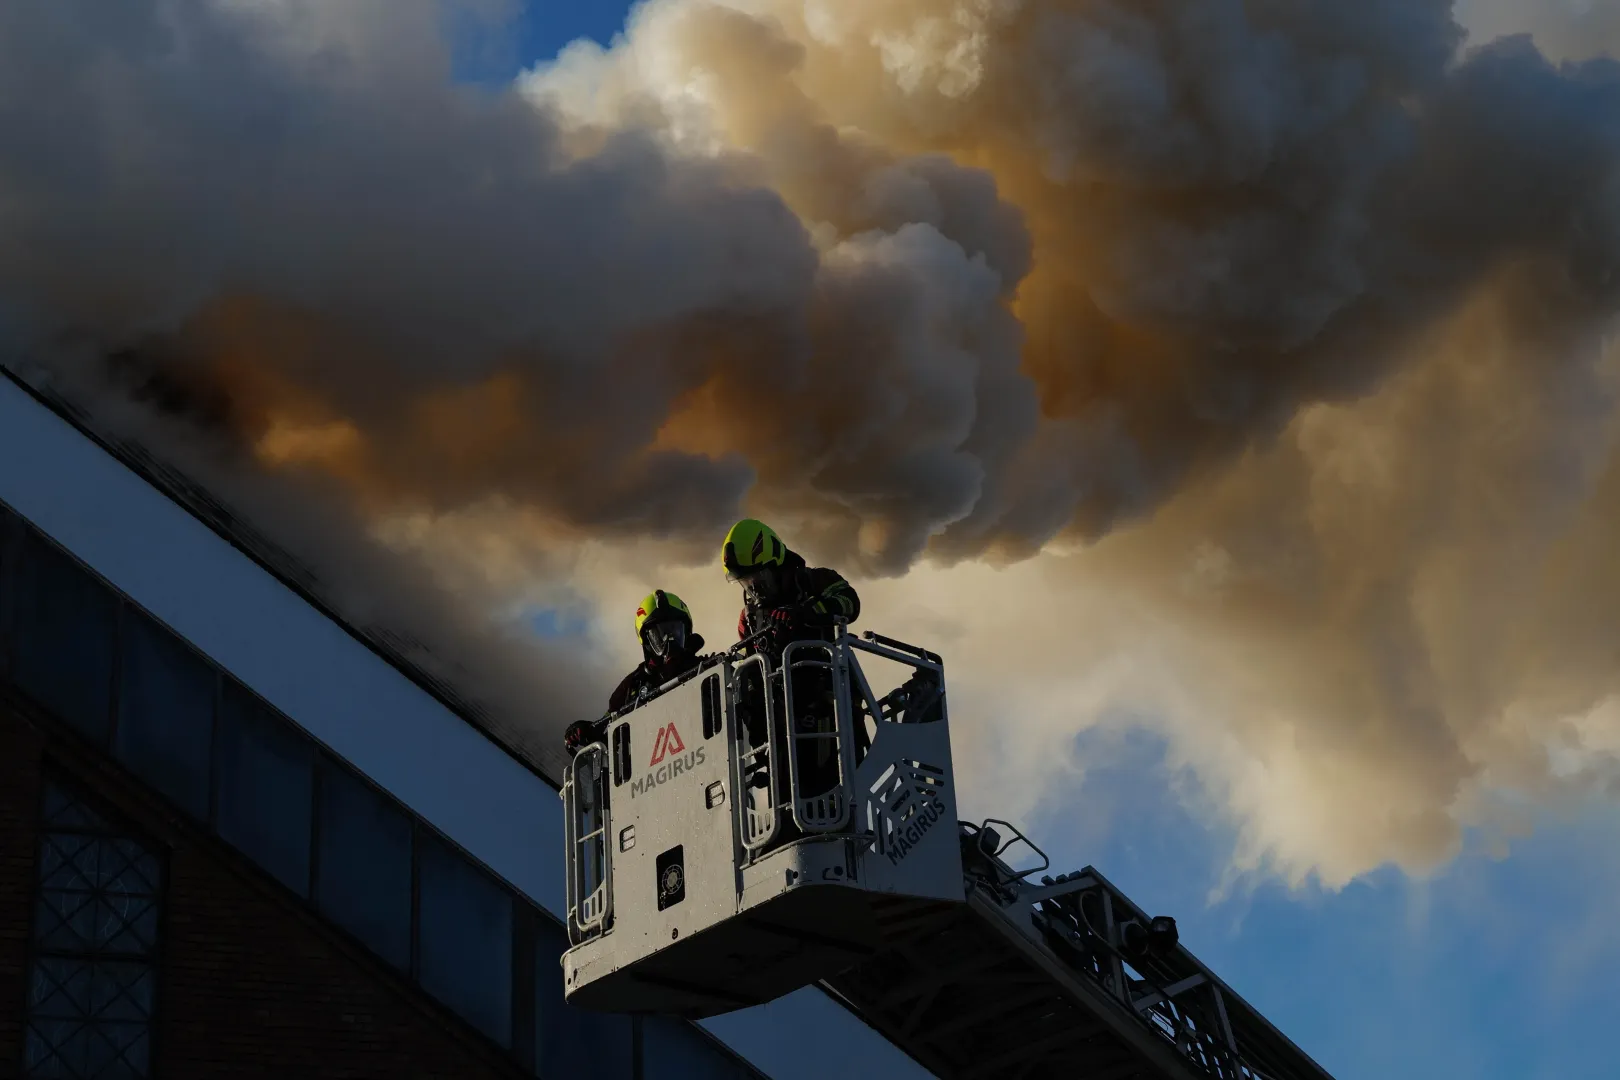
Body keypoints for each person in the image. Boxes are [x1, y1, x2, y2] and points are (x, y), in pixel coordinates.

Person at [721, 519, 860, 797]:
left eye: (759, 578)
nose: (755, 588)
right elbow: (750, 668)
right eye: (747, 582)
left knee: (835, 789)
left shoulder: (814, 581)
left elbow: (850, 602)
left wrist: (807, 613)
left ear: (775, 562)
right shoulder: (749, 618)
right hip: (780, 722)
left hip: (830, 708)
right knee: (788, 794)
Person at [563, 590, 709, 756]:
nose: (669, 640)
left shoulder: (707, 669)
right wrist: (587, 731)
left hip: (706, 754)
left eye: (675, 632)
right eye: (660, 635)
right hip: (650, 768)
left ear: (686, 634)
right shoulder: (632, 686)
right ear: (647, 641)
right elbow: (607, 729)